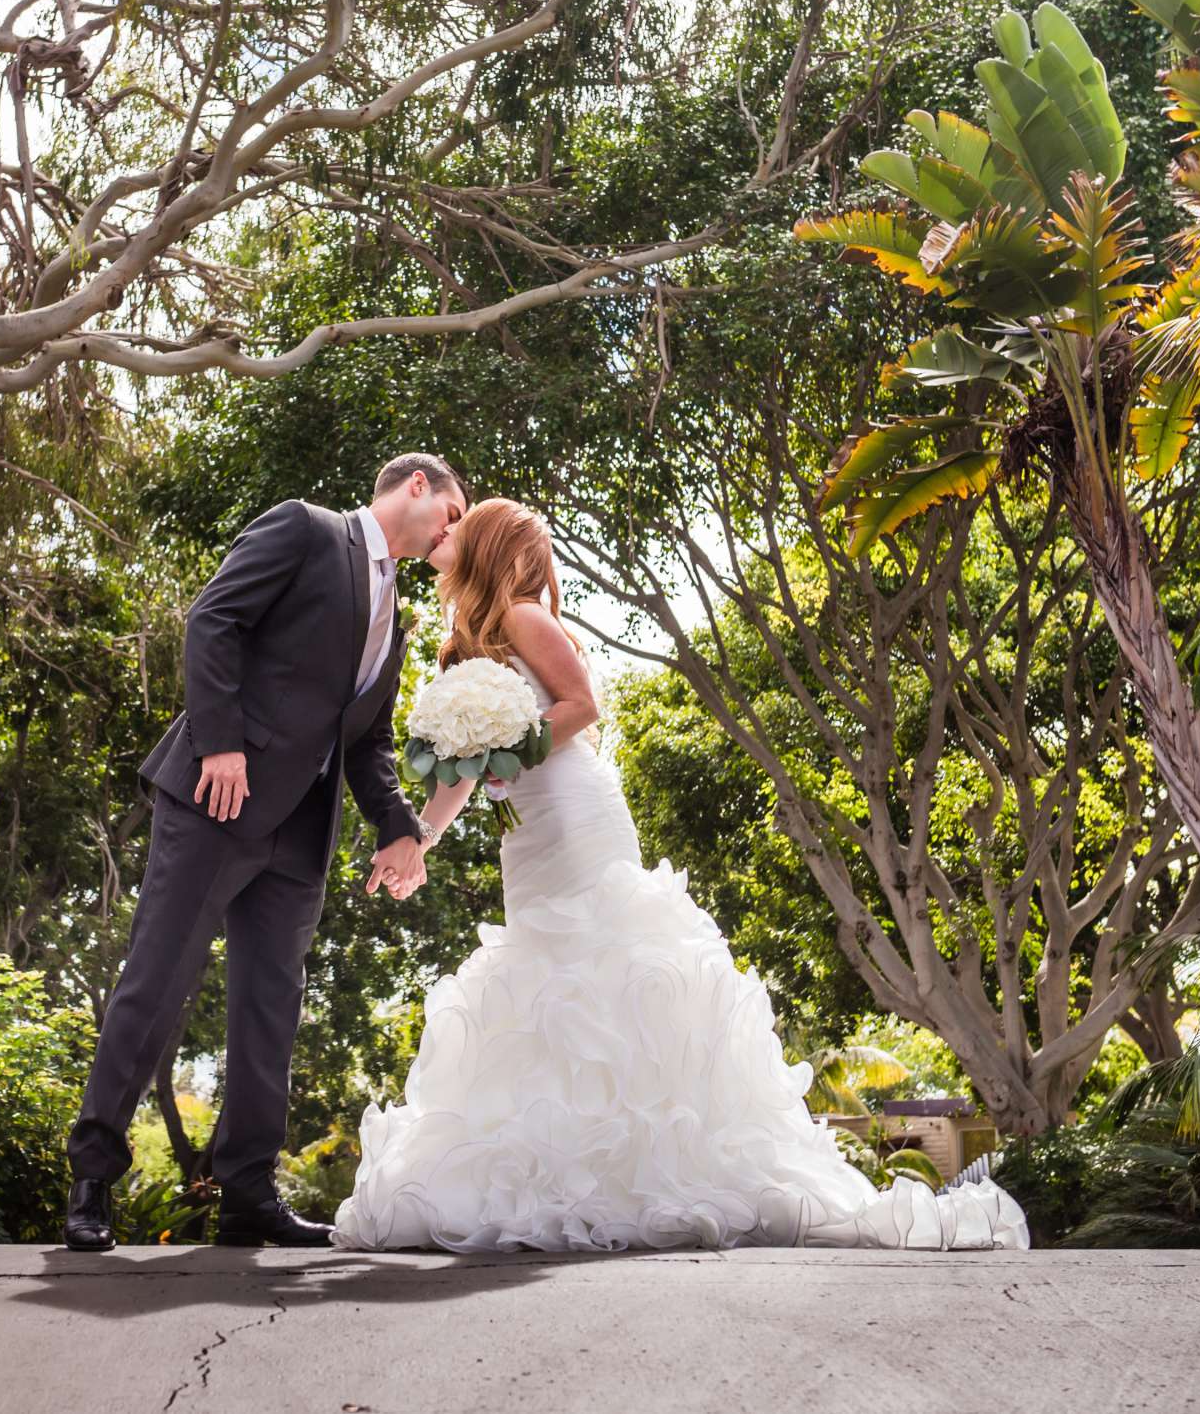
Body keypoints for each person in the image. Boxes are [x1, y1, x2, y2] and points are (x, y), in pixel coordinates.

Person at [331, 498, 1030, 1252]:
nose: (448, 533)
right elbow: (463, 771)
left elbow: (581, 706)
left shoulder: (528, 618)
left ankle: (647, 1175)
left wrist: (513, 747)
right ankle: (572, 1174)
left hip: (575, 815)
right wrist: (420, 841)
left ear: (491, 546)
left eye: (464, 525)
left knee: (606, 968)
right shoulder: (464, 645)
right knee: (545, 989)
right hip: (526, 840)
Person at [61, 454, 468, 1251]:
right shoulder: (305, 528)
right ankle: (92, 1180)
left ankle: (247, 1193)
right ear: (416, 484)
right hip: (219, 801)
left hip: (301, 834)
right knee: (156, 983)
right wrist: (219, 745)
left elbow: (369, 742)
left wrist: (400, 828)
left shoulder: (397, 616)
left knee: (269, 1010)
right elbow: (213, 619)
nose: (457, 527)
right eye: (455, 508)